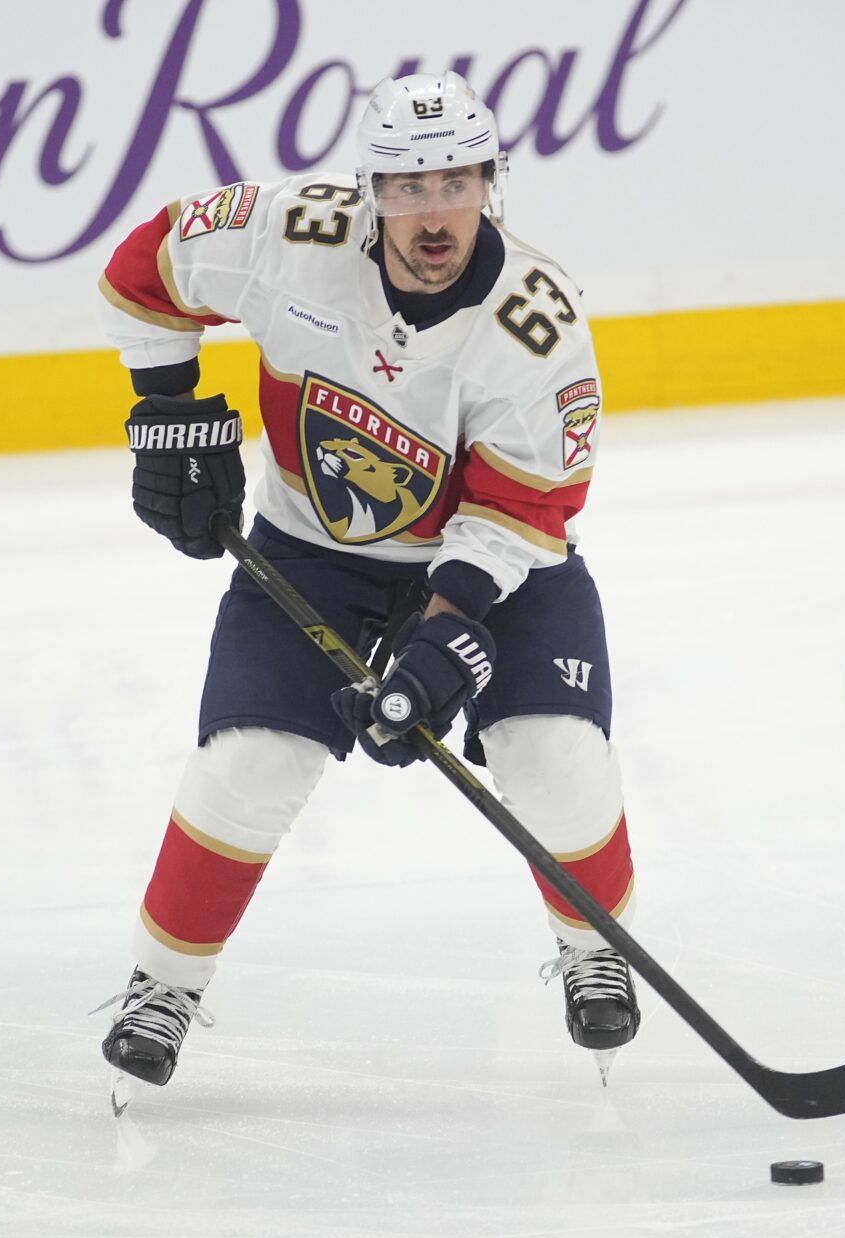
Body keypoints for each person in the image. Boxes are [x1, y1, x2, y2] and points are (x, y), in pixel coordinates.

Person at [92, 71, 639, 1095]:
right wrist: (165, 412)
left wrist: (447, 630)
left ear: (492, 183)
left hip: (494, 567)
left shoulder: (536, 322)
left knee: (555, 755)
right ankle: (161, 984)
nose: (435, 212)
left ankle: (592, 940)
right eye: (409, 186)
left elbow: (527, 507)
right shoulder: (289, 233)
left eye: (458, 182)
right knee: (246, 763)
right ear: (369, 191)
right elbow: (144, 268)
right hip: (310, 551)